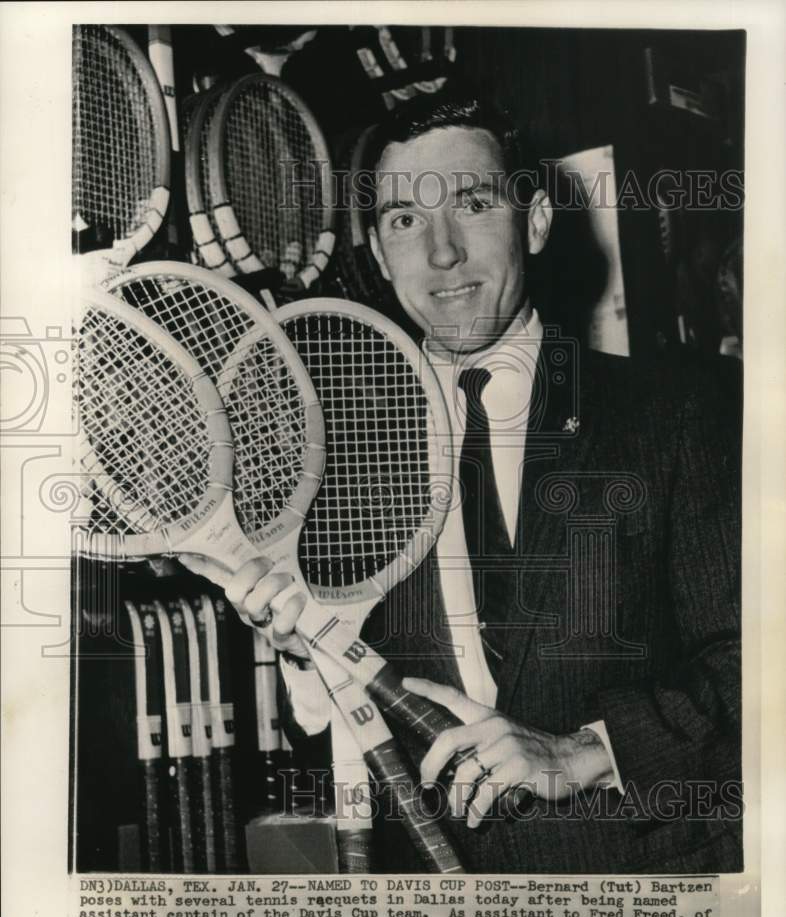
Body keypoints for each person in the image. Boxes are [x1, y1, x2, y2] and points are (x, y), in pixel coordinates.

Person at [225, 87, 742, 873]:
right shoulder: (341, 459)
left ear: (532, 221)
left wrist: (583, 753)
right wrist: (299, 650)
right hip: (439, 906)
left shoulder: (676, 411)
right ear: (378, 248)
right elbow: (341, 713)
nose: (441, 253)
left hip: (647, 889)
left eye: (470, 204)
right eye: (405, 220)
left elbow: (754, 665)